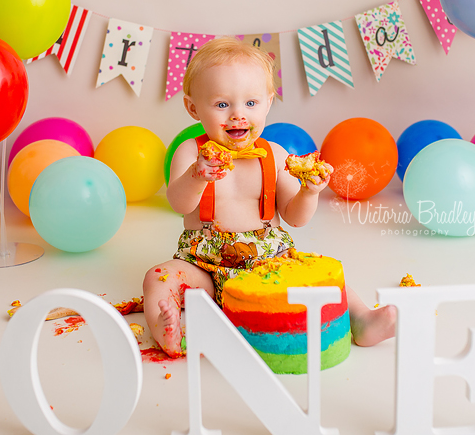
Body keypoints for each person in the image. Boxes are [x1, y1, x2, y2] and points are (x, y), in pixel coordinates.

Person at [144, 36, 395, 358]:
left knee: (324, 273)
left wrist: (309, 191)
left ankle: (363, 320)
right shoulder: (192, 153)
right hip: (203, 265)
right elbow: (180, 204)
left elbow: (295, 217)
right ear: (193, 107)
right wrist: (196, 175)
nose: (238, 115)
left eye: (251, 103)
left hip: (269, 261)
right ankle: (168, 331)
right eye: (222, 104)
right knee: (158, 278)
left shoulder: (274, 156)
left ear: (268, 103)